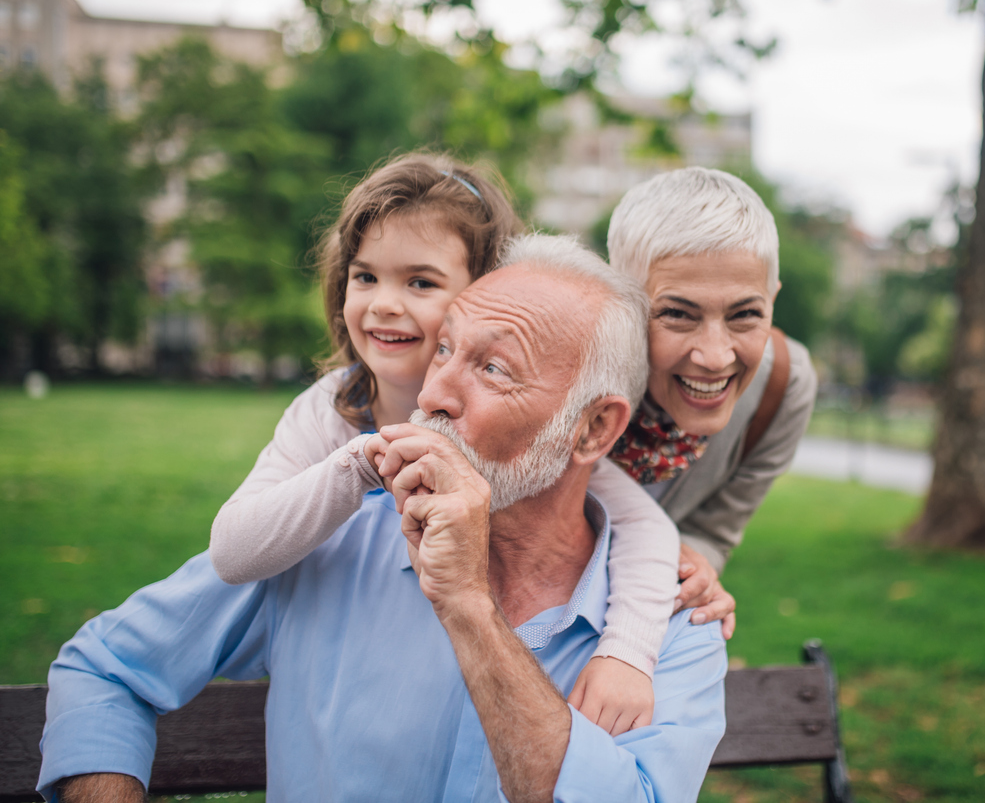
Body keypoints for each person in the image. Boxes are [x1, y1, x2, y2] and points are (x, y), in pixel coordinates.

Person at [38, 235, 728, 803]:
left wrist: (467, 606)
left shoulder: (675, 627)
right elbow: (108, 668)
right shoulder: (325, 537)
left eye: (492, 367)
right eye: (446, 349)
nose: (433, 393)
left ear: (592, 429)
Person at [207, 153, 680, 733]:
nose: (383, 302)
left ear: (484, 291)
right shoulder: (335, 407)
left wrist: (627, 652)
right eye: (365, 276)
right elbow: (231, 553)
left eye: (420, 282)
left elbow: (644, 527)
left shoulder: (531, 440)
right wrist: (359, 463)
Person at [605, 167, 820, 639]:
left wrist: (692, 561)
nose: (715, 356)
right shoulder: (562, 379)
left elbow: (715, 530)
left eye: (745, 314)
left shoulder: (783, 387)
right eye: (678, 314)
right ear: (620, 306)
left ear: (773, 301)